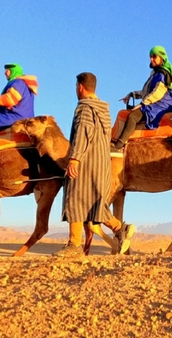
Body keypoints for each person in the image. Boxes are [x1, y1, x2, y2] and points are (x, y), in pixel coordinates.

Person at [55, 72, 136, 257]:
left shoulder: (84, 108)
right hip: (101, 164)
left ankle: (74, 245)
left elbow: (84, 133)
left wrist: (74, 158)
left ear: (80, 87)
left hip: (85, 162)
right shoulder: (103, 110)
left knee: (74, 197)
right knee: (95, 204)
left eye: (76, 86)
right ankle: (119, 228)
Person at [112, 46, 172, 153]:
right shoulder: (157, 73)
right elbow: (147, 91)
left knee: (132, 116)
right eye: (150, 57)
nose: (151, 59)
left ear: (161, 58)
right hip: (156, 102)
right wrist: (132, 94)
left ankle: (119, 145)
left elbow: (157, 93)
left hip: (162, 105)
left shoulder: (163, 74)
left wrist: (142, 104)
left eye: (154, 56)